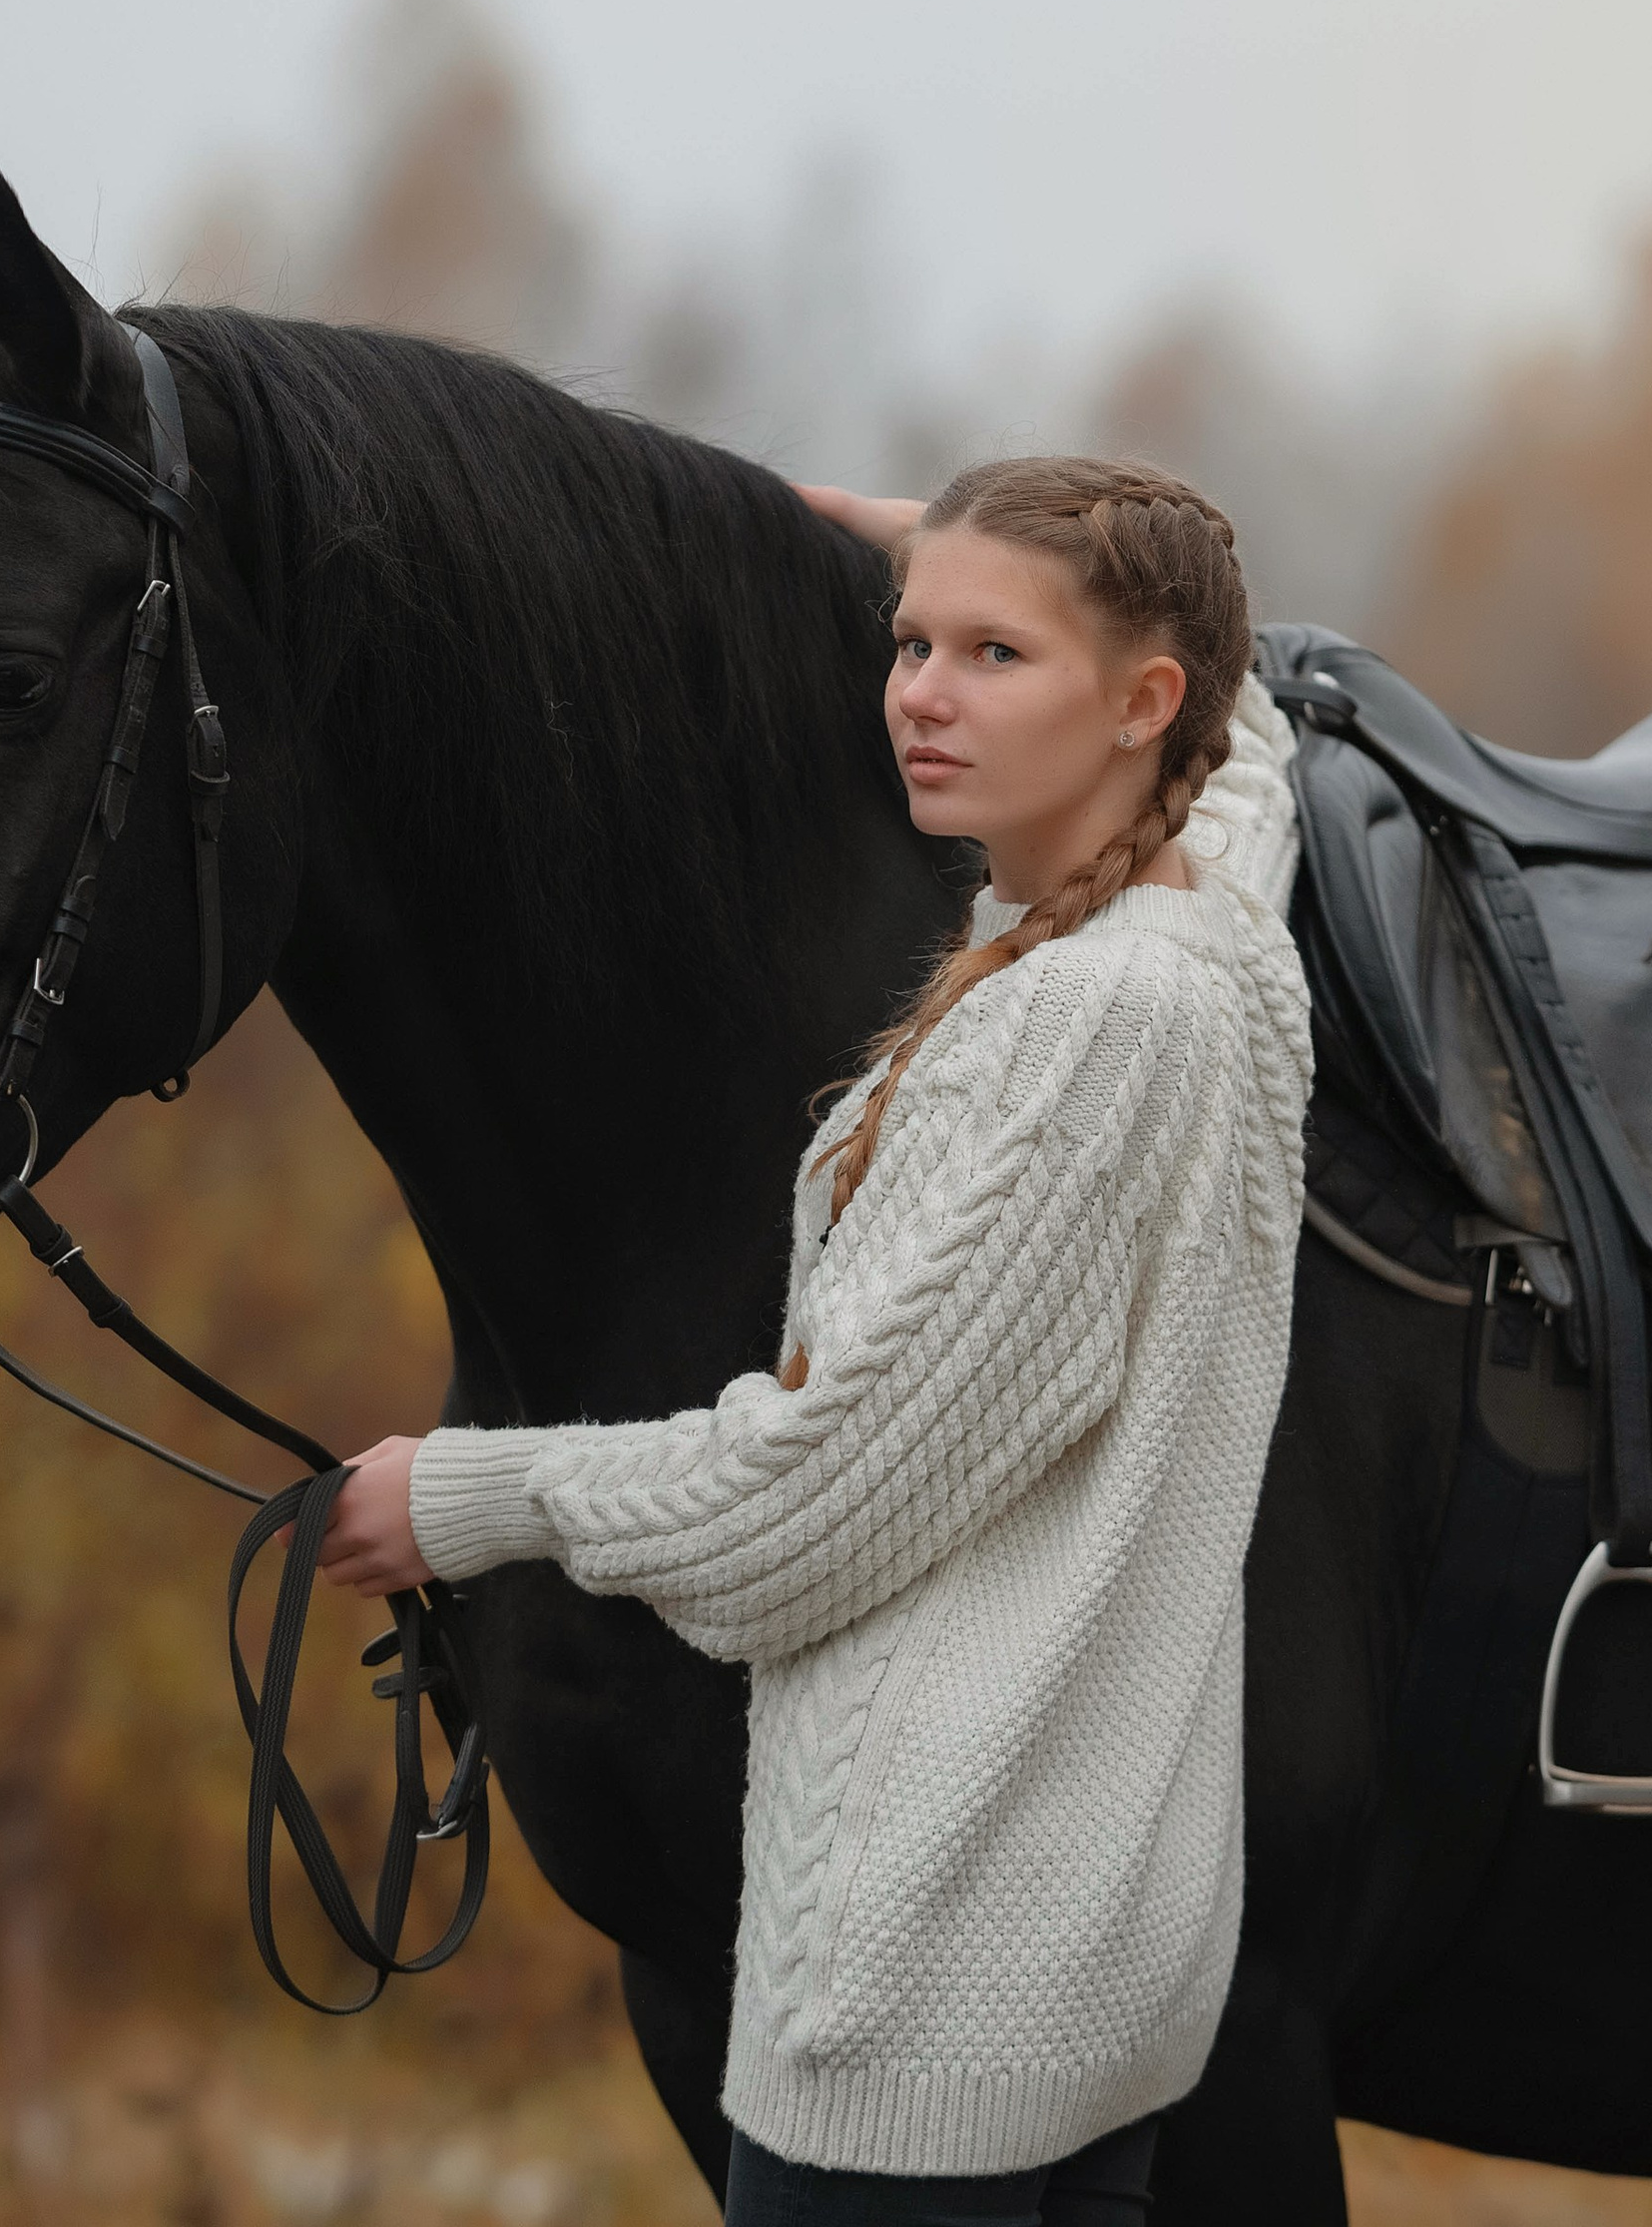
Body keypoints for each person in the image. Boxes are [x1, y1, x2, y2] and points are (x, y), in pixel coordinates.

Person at [318, 458, 1314, 2226]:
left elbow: (811, 1508)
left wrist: (465, 1496)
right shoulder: (1210, 934)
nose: (921, 696)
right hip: (1079, 2000)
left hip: (919, 2025)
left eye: (994, 657)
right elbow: (1245, 765)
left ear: (1145, 701)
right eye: (909, 641)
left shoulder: (1083, 1027)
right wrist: (938, 554)